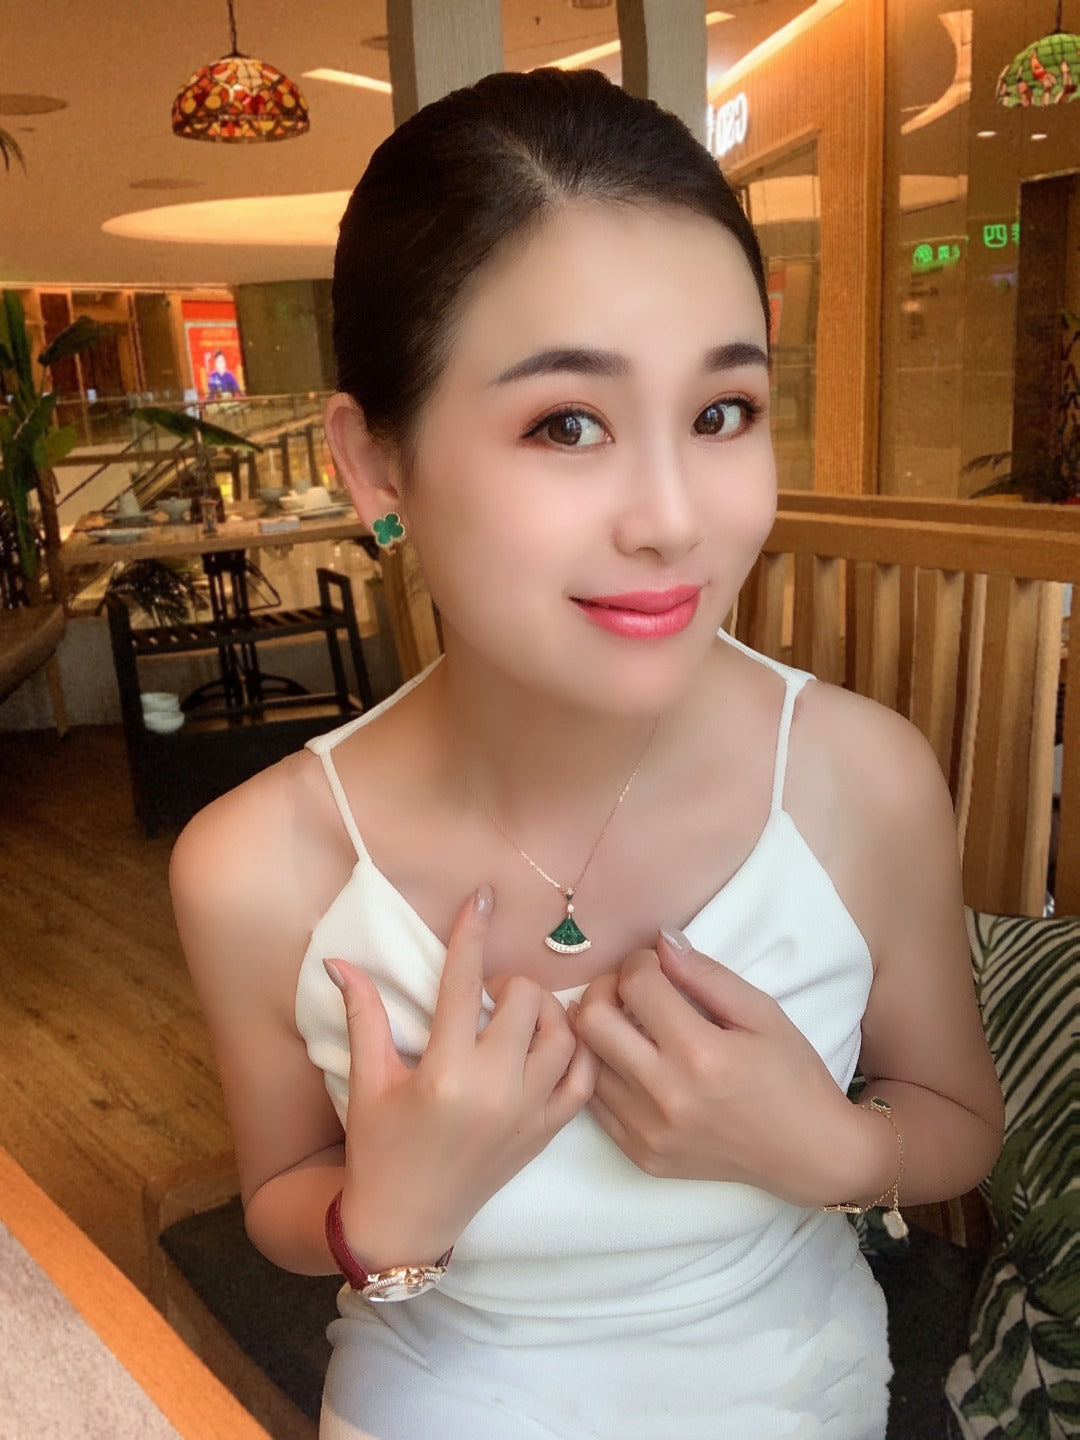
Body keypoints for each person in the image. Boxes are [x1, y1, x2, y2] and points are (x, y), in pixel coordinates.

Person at [170, 68, 1004, 1440]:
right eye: (568, 424)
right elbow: (274, 1197)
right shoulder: (257, 864)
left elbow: (957, 1116)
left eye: (723, 412)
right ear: (375, 466)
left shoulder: (862, 778)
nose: (673, 518)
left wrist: (836, 1148)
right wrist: (381, 1216)